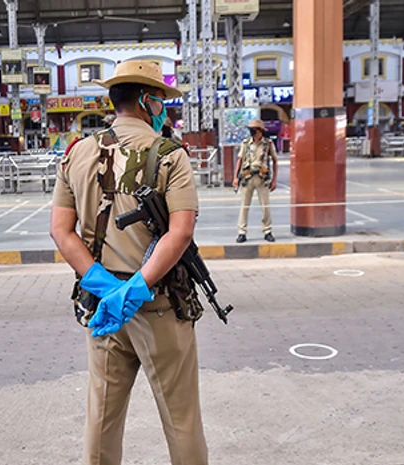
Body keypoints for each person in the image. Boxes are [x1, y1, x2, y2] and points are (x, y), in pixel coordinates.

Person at [49, 60, 207, 465]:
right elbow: (181, 232)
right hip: (159, 305)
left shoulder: (77, 154)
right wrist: (135, 290)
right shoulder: (170, 155)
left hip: (103, 308)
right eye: (161, 100)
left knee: (101, 418)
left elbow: (61, 231)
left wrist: (106, 287)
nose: (164, 109)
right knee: (181, 419)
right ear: (144, 99)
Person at [232, 119, 278, 243]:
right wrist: (235, 177)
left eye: (254, 129)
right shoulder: (246, 143)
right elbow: (240, 160)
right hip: (247, 177)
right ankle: (242, 232)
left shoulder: (268, 144)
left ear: (260, 131)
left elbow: (275, 160)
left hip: (262, 178)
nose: (252, 132)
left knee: (265, 206)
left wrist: (274, 180)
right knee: (244, 206)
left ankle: (267, 231)